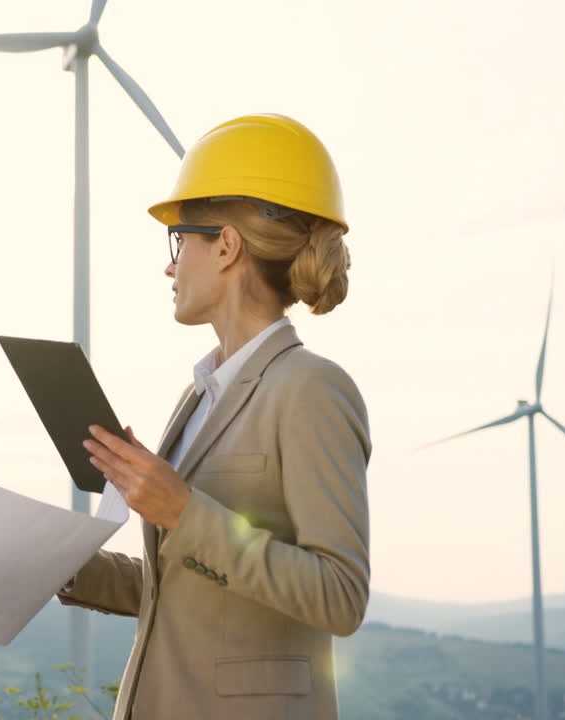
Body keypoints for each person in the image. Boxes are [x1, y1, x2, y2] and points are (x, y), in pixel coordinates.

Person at [61, 113, 371, 719]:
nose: (170, 266)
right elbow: (189, 582)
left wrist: (184, 510)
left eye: (181, 240)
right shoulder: (200, 395)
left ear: (226, 245)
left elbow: (341, 595)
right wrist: (64, 564)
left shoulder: (312, 389)